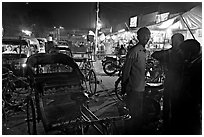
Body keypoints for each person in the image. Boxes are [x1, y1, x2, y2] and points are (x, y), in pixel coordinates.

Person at [151, 33, 184, 134]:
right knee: (167, 103)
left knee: (176, 105)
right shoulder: (170, 52)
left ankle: (174, 125)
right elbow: (155, 54)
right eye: (173, 40)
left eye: (176, 41)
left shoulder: (182, 54)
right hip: (170, 81)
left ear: (181, 42)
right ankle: (167, 124)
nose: (174, 43)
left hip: (180, 84)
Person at [122, 27, 151, 134]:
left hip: (141, 87)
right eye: (144, 35)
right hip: (133, 88)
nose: (146, 37)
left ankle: (137, 131)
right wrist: (124, 86)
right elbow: (126, 70)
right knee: (132, 113)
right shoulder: (134, 51)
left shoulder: (144, 51)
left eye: (148, 35)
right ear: (138, 37)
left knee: (138, 113)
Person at [171, 39, 202, 134]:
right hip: (185, 104)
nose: (181, 53)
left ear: (189, 52)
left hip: (190, 106)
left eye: (183, 51)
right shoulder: (190, 63)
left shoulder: (198, 67)